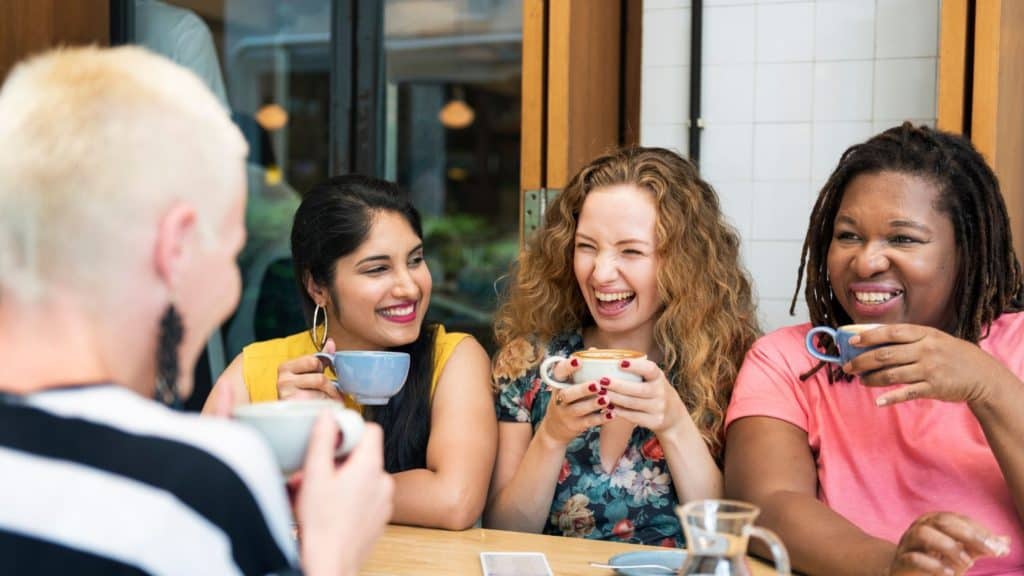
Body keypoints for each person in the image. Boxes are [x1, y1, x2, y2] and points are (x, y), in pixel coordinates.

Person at [0, 46, 392, 575]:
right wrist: (330, 558)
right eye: (230, 253)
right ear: (177, 249)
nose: (231, 289)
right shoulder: (192, 487)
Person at [724, 123, 1024, 575]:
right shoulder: (788, 360)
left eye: (903, 239)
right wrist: (893, 566)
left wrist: (990, 387)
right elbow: (766, 505)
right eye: (848, 236)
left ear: (966, 249)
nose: (865, 261)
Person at [485, 146, 760, 545]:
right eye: (586, 247)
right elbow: (504, 532)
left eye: (630, 251)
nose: (601, 273)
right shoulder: (529, 362)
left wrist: (674, 424)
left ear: (683, 261)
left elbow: (726, 541)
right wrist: (551, 438)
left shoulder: (731, 366)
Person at [205, 174, 496, 531]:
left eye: (416, 260)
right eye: (378, 269)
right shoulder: (256, 371)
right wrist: (288, 434)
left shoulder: (453, 358)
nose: (409, 286)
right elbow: (204, 496)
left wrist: (307, 491)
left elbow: (454, 500)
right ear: (317, 286)